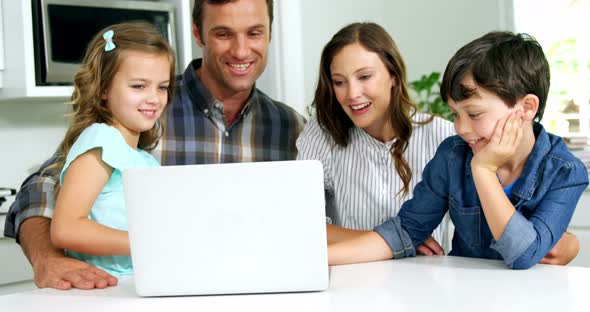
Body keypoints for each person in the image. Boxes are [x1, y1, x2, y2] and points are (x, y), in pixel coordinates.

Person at [4, 0, 304, 289]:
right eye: (223, 33)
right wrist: (48, 258)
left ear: (269, 32)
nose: (240, 50)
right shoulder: (129, 121)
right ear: (198, 33)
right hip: (122, 288)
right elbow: (45, 187)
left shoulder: (290, 127)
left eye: (254, 32)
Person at [327, 31, 588, 269]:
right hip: (464, 296)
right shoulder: (452, 155)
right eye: (455, 114)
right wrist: (317, 259)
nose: (461, 127)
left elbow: (523, 254)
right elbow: (404, 232)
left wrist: (484, 170)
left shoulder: (566, 173)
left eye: (474, 113)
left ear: (527, 108)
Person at [296, 22, 454, 255]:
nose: (352, 94)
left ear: (393, 75)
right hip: (349, 281)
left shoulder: (444, 136)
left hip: (426, 282)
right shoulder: (322, 134)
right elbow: (301, 223)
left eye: (365, 76)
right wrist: (397, 240)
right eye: (339, 82)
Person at [47, 22, 175, 276]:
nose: (154, 98)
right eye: (139, 86)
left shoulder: (142, 158)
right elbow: (66, 228)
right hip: (105, 291)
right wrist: (147, 244)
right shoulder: (102, 140)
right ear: (104, 89)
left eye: (162, 86)